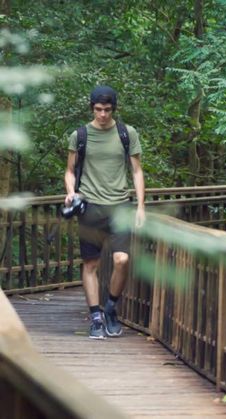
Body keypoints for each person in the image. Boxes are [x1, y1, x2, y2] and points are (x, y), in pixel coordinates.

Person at [64, 85, 145, 339]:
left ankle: (111, 306)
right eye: (98, 109)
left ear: (114, 109)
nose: (102, 115)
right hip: (90, 206)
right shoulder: (79, 135)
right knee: (91, 263)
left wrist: (141, 206)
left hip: (120, 205)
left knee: (122, 260)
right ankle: (96, 317)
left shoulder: (126, 133)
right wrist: (70, 191)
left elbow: (137, 171)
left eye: (107, 110)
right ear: (92, 108)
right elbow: (69, 171)